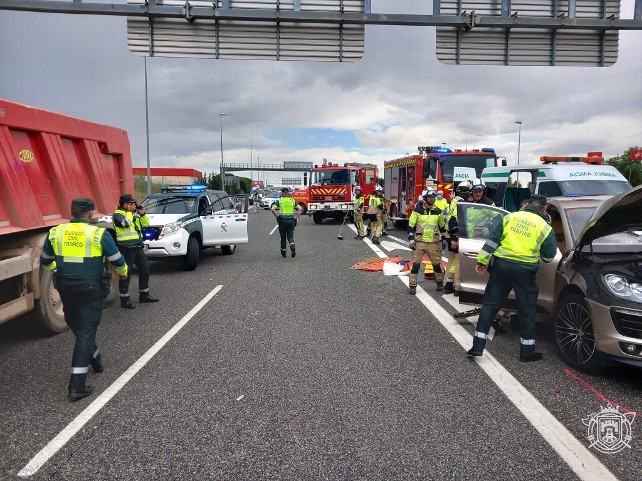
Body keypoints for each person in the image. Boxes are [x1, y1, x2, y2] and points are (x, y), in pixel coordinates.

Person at [40, 198, 128, 400]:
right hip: (90, 286)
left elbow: (45, 261)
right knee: (87, 330)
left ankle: (95, 358)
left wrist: (58, 271)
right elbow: (117, 260)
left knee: (76, 323)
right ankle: (77, 385)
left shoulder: (56, 232)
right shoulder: (98, 233)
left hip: (65, 285)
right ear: (90, 214)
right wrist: (123, 273)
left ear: (71, 212)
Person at [466, 194, 557, 362]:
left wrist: (482, 261)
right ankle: (526, 353)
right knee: (527, 311)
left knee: (489, 306)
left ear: (527, 204)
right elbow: (549, 257)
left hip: (501, 267)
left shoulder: (510, 217)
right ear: (544, 209)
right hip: (524, 272)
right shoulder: (545, 227)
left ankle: (477, 347)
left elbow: (492, 241)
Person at [112, 194, 159, 309]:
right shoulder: (118, 214)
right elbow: (125, 224)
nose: (134, 206)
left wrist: (142, 214)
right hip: (126, 248)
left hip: (137, 247)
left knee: (145, 270)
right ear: (126, 204)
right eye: (132, 204)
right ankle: (125, 299)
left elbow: (145, 224)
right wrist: (129, 212)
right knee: (125, 274)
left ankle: (144, 295)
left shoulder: (134, 214)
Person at [407, 189, 447, 295]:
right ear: (425, 198)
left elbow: (442, 227)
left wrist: (444, 239)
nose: (432, 199)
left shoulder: (438, 212)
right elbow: (411, 225)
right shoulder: (417, 211)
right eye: (430, 197)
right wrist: (411, 239)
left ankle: (439, 283)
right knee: (415, 265)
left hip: (433, 243)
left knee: (437, 265)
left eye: (433, 197)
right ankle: (412, 286)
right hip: (419, 242)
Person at [443, 183, 471, 296]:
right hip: (456, 234)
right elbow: (455, 219)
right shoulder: (461, 202)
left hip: (449, 234)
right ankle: (457, 287)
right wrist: (455, 238)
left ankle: (449, 285)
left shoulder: (454, 200)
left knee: (452, 260)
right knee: (459, 261)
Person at [271, 187, 302, 258]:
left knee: (283, 237)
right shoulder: (292, 200)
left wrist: (277, 217)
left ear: (282, 193)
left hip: (282, 221)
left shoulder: (280, 201)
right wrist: (297, 218)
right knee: (290, 236)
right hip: (291, 220)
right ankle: (292, 246)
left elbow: (272, 209)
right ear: (288, 192)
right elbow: (300, 209)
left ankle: (283, 252)